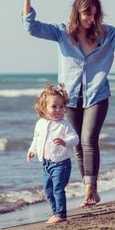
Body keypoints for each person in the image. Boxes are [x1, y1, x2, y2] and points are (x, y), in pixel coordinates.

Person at [21, 0, 115, 207]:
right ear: (78, 12)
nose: (91, 19)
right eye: (87, 14)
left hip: (98, 95)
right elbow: (32, 28)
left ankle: (90, 189)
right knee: (74, 144)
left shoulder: (107, 34)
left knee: (88, 140)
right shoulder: (62, 32)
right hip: (70, 97)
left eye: (95, 15)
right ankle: (89, 187)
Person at [27, 84, 79, 223]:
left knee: (58, 189)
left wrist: (65, 142)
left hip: (61, 163)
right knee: (48, 190)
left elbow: (75, 139)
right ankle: (55, 212)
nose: (58, 110)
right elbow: (36, 139)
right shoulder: (40, 123)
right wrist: (32, 150)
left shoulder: (64, 124)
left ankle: (61, 215)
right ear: (43, 108)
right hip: (46, 164)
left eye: (61, 107)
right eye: (54, 106)